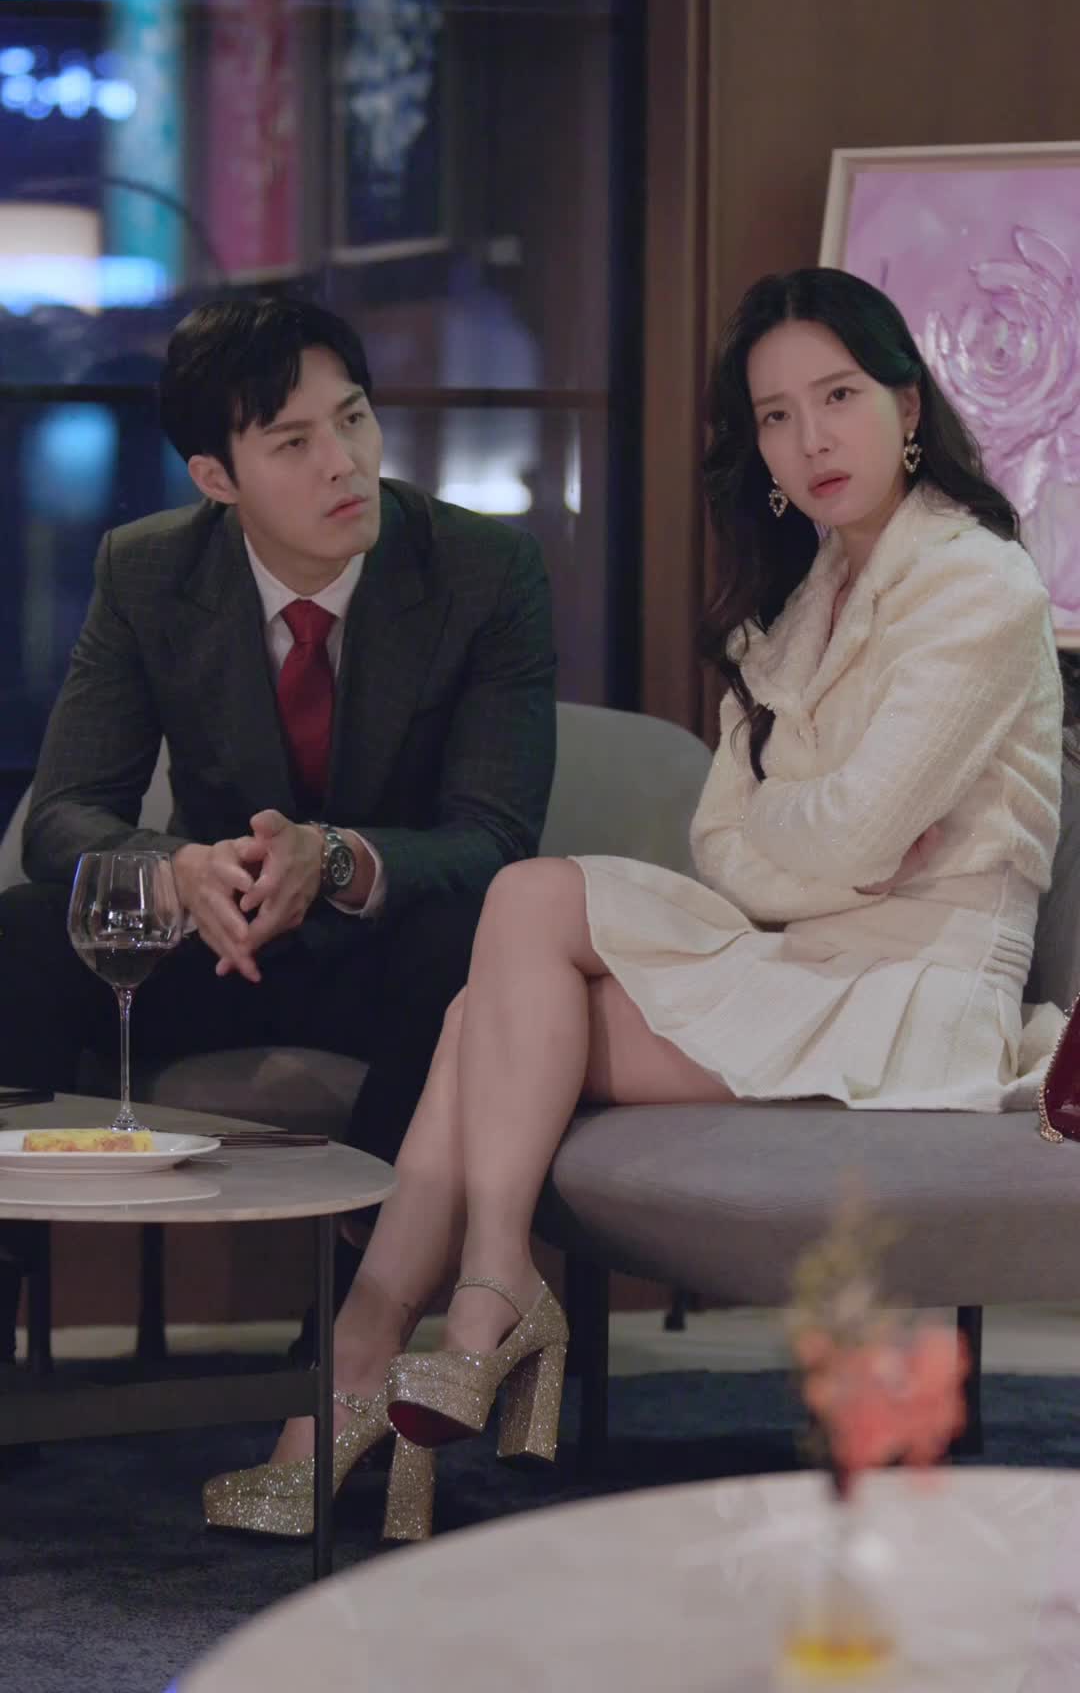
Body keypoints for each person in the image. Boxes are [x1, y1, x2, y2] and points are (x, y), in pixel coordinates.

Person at [204, 266, 1070, 1542]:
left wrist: (818, 841)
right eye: (775, 416)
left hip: (916, 997)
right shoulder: (805, 593)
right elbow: (729, 845)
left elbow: (846, 835)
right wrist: (823, 847)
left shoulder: (978, 585)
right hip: (807, 960)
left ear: (906, 405)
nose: (811, 440)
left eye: (838, 397)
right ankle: (455, 1312)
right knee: (515, 941)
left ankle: (395, 1356)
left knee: (491, 1004)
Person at [0, 295, 556, 1348]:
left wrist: (336, 859)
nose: (344, 464)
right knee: (23, 932)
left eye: (353, 419)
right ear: (217, 478)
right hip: (219, 947)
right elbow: (63, 814)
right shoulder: (148, 572)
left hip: (389, 961)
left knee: (474, 940)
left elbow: (495, 837)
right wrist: (174, 872)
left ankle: (351, 1334)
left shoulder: (484, 574)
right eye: (293, 443)